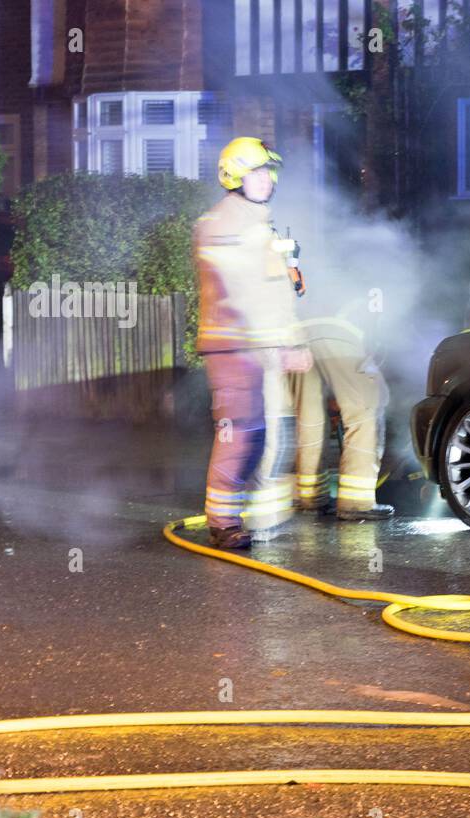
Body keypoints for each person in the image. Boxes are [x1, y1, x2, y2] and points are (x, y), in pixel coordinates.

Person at [194, 136, 311, 549]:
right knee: (237, 432)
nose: (266, 179)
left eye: (268, 172)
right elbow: (246, 293)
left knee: (255, 432)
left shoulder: (255, 221)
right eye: (257, 172)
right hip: (233, 347)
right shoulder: (225, 224)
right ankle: (222, 523)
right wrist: (285, 343)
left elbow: (276, 288)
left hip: (252, 345)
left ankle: (237, 515)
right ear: (235, 177)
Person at [289, 303, 393, 521]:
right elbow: (377, 325)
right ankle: (356, 503)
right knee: (365, 410)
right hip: (341, 330)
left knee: (310, 418)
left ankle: (311, 498)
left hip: (298, 335)